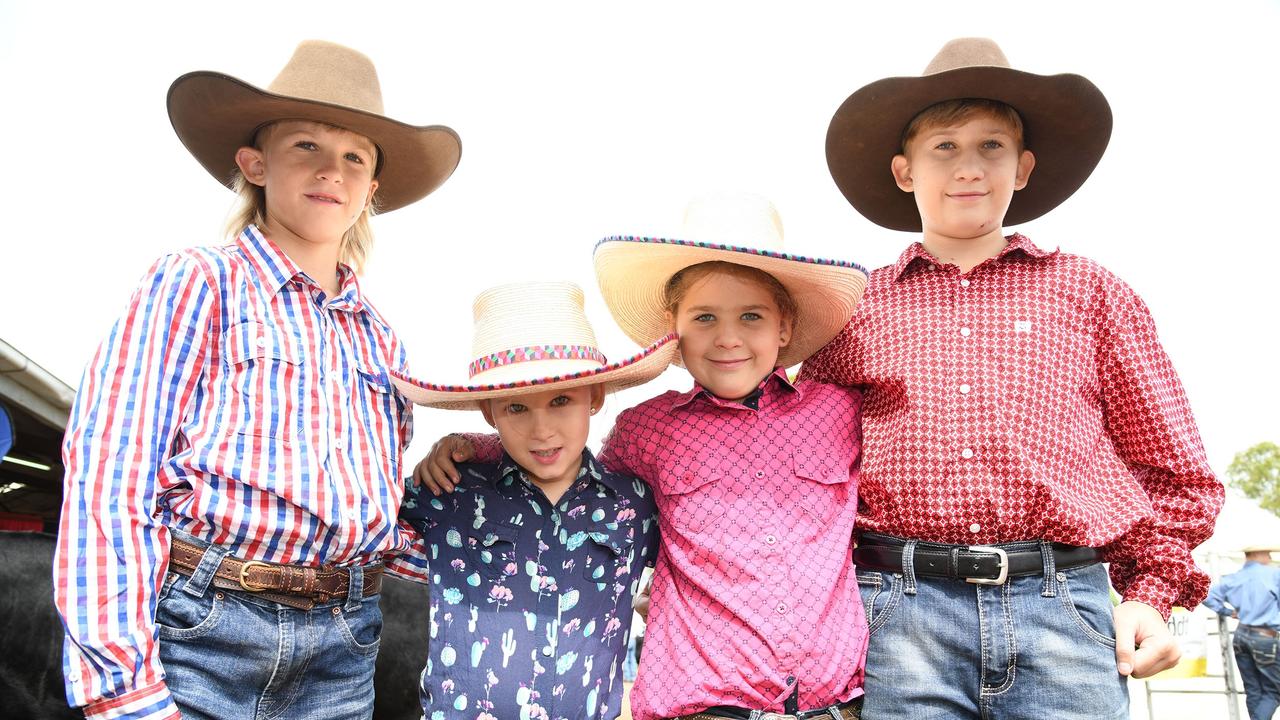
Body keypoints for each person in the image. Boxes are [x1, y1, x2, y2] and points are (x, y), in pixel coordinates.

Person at [810, 37, 1224, 718]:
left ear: (1024, 167)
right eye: (943, 146)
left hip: (1061, 609)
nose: (968, 167)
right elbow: (807, 477)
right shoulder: (852, 309)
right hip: (898, 616)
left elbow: (1173, 468)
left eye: (991, 146)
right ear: (904, 170)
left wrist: (1150, 592)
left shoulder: (1092, 294)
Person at [53, 40, 460, 720]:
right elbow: (113, 469)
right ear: (255, 164)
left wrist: (467, 478)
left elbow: (380, 524)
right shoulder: (198, 282)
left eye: (355, 157)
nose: (332, 170)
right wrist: (124, 685)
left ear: (371, 191)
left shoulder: (381, 339)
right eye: (306, 145)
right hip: (208, 630)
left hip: (345, 639)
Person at [418, 195, 871, 720]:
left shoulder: (838, 413)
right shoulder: (647, 430)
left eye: (752, 316)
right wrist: (478, 445)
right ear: (673, 329)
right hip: (706, 706)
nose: (728, 338)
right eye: (705, 317)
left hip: (836, 704)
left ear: (785, 327)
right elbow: (573, 471)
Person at [391, 281, 674, 719]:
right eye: (517, 408)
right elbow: (360, 526)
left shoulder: (635, 507)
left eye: (561, 400)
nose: (542, 430)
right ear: (489, 411)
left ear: (594, 398)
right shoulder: (449, 491)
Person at [1204, 545, 1280, 720]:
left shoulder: (1234, 578)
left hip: (1241, 634)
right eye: (1267, 553)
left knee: (1253, 690)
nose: (1269, 557)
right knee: (1274, 691)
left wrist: (1228, 611)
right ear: (1256, 553)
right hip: (1265, 636)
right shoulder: (1274, 575)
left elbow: (1207, 596)